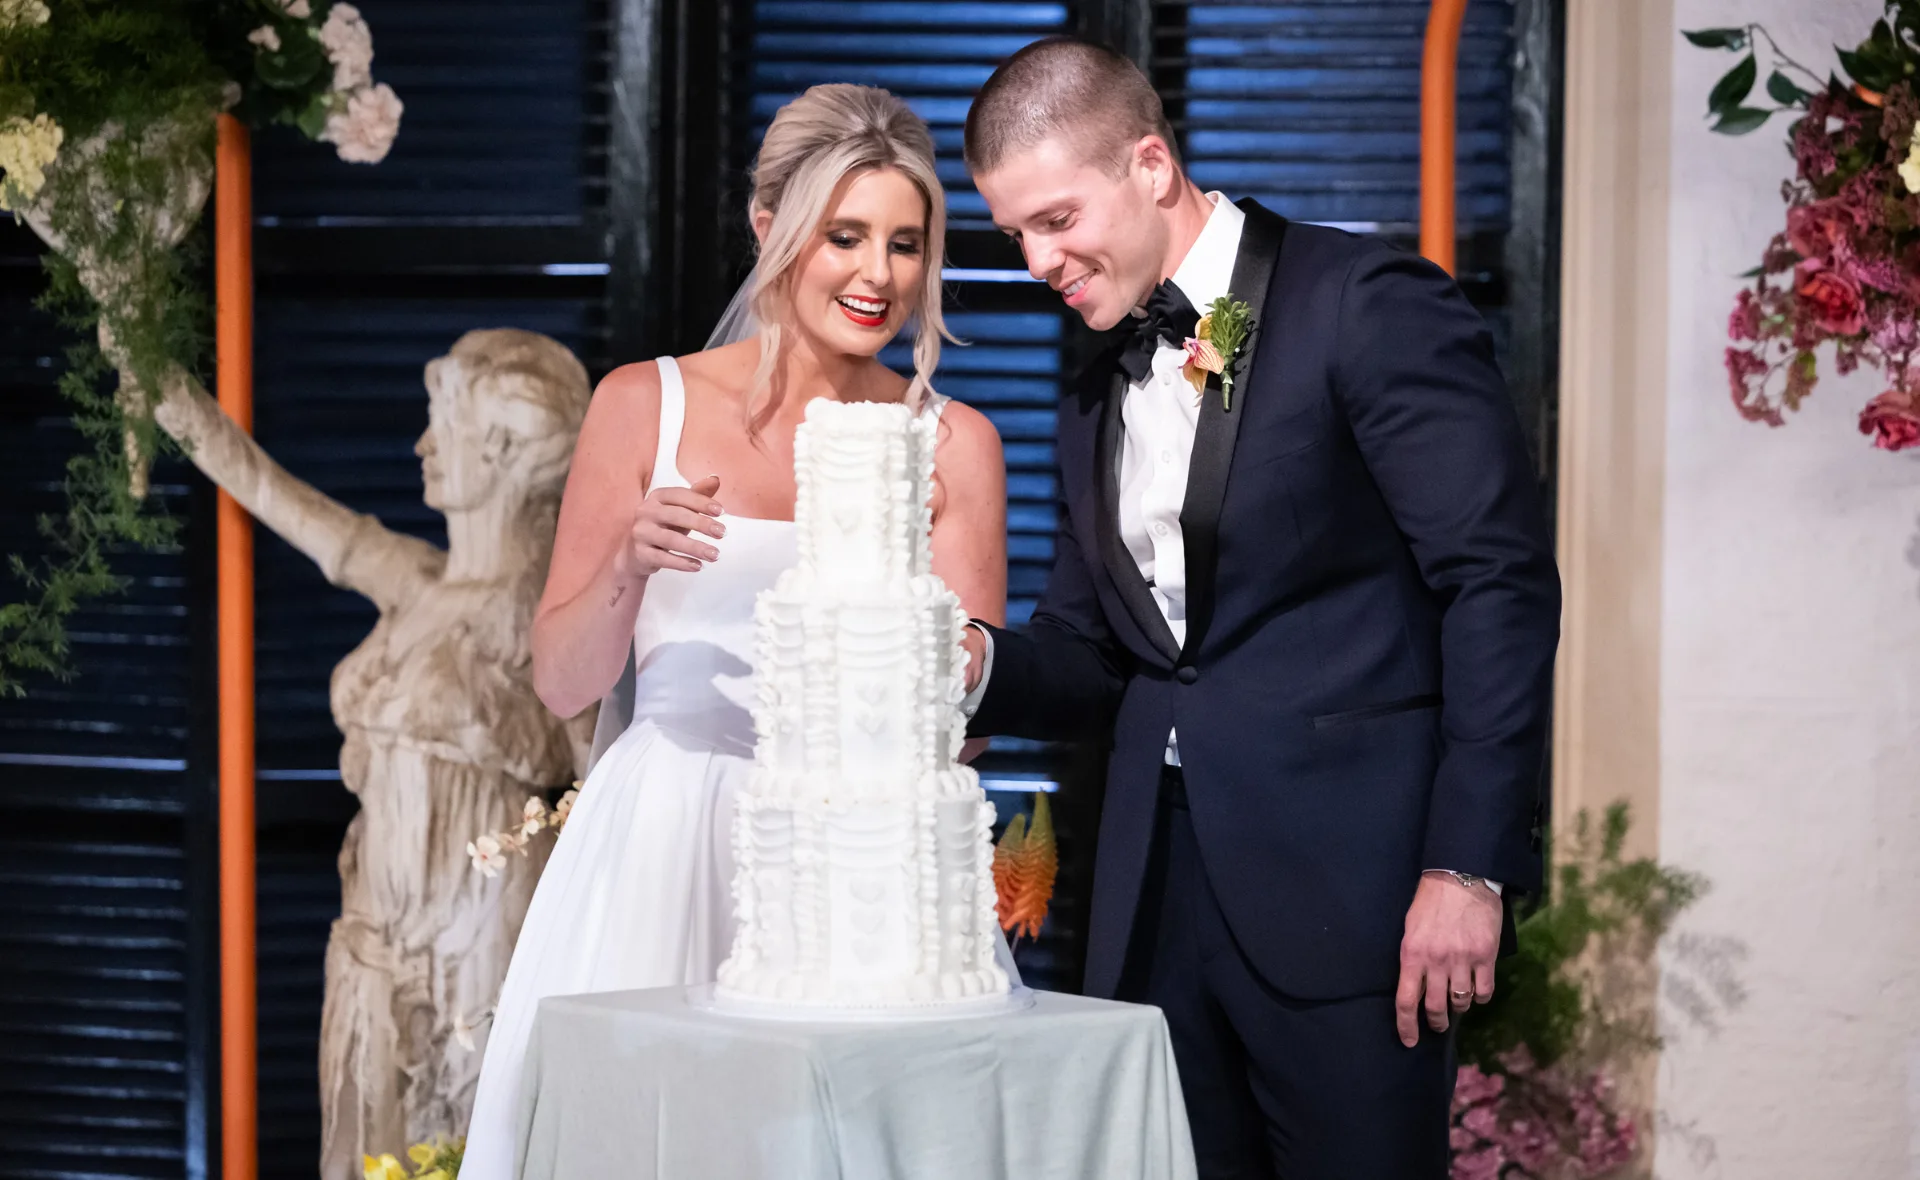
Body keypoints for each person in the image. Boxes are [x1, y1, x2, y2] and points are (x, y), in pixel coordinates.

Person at [957, 37, 1561, 1178]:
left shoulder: (1364, 301)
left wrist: (1468, 864)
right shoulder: (1095, 375)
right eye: (1015, 235)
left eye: (1055, 219)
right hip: (1151, 900)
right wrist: (972, 662)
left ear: (1149, 162)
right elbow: (1094, 652)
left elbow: (1500, 582)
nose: (1037, 261)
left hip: (1355, 895)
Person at [459, 83, 1008, 1178]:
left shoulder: (952, 445)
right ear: (771, 229)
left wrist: (929, 658)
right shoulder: (641, 405)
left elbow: (967, 718)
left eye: (906, 244)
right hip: (659, 842)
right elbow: (565, 683)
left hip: (853, 872)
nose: (877, 275)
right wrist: (626, 564)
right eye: (844, 236)